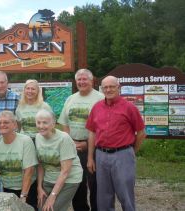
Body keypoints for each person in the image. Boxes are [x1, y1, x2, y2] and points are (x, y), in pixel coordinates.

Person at [86, 76, 146, 211]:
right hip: (101, 154)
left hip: (123, 154)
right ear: (102, 89)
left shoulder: (129, 107)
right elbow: (92, 133)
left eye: (112, 86)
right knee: (104, 196)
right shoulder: (97, 107)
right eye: (105, 87)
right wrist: (90, 158)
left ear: (118, 88)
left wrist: (131, 152)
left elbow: (141, 133)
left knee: (125, 194)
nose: (108, 90)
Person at [58, 69, 103, 211]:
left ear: (92, 81)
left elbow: (104, 127)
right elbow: (64, 123)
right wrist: (70, 143)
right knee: (76, 182)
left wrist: (87, 144)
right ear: (76, 81)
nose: (82, 82)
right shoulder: (70, 98)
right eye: (79, 79)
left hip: (94, 148)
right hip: (73, 146)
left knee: (95, 184)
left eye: (85, 79)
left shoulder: (100, 98)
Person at [35, 109, 82, 211]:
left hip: (69, 179)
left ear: (53, 124)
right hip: (49, 178)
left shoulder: (64, 138)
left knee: (52, 208)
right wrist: (39, 187)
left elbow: (65, 171)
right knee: (41, 208)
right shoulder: (38, 137)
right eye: (38, 122)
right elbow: (40, 165)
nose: (41, 126)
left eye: (45, 122)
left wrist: (52, 196)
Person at [0, 111, 38, 209]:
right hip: (8, 189)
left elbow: (29, 171)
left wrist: (23, 196)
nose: (2, 125)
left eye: (6, 122)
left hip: (28, 188)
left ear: (15, 124)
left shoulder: (25, 141)